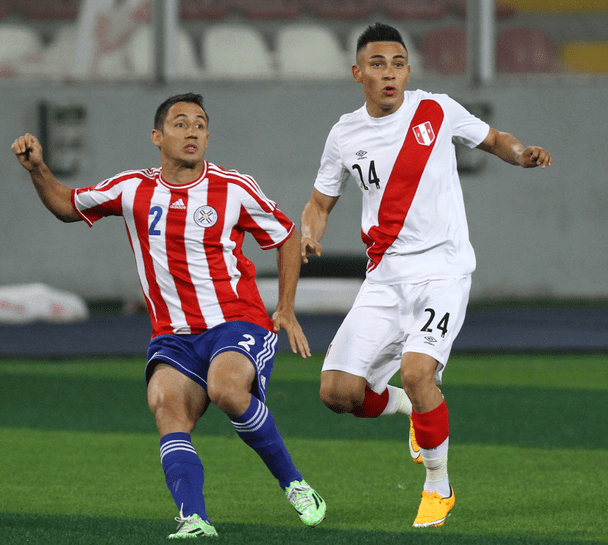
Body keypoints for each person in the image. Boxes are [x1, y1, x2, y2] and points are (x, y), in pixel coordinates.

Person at [12, 92, 326, 538]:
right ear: (158, 137)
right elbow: (67, 206)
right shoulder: (132, 188)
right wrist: (39, 170)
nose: (192, 130)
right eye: (180, 123)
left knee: (227, 388)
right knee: (166, 408)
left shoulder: (232, 187)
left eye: (200, 123)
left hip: (236, 322)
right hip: (174, 336)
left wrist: (286, 308)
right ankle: (194, 519)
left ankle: (294, 484)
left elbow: (287, 236)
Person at [300, 23, 552, 528]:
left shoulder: (435, 109)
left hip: (443, 271)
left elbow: (496, 139)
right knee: (337, 394)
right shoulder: (344, 134)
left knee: (419, 373)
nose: (389, 73)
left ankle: (439, 485)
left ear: (408, 70)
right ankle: (410, 409)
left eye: (397, 63)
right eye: (377, 64)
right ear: (357, 73)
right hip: (384, 279)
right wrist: (310, 230)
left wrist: (521, 154)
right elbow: (320, 201)